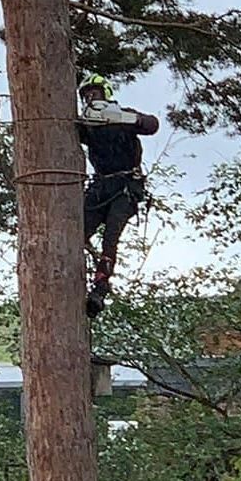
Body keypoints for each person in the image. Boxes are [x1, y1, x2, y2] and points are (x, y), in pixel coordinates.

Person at [77, 74, 159, 318]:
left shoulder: (123, 116)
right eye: (86, 94)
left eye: (94, 92)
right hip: (101, 186)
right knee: (76, 232)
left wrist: (124, 119)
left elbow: (152, 125)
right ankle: (71, 280)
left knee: (111, 237)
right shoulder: (88, 125)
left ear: (106, 93)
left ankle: (100, 288)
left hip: (126, 186)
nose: (91, 97)